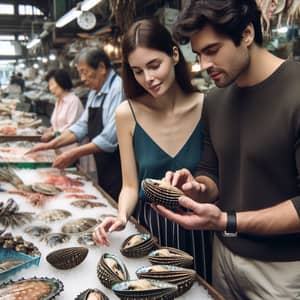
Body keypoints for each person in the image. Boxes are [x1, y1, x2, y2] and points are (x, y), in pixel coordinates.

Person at [152, 1, 300, 299]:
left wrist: (226, 220)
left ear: (246, 34)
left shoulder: (295, 90)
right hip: (223, 257)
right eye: (198, 54)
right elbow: (212, 173)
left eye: (212, 50)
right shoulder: (216, 100)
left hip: (283, 270)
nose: (204, 65)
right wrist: (195, 188)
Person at [92, 19, 212, 281]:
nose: (148, 79)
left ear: (175, 54)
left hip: (202, 228)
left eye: (154, 65)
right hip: (150, 231)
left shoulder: (208, 106)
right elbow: (131, 186)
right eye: (137, 71)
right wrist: (122, 216)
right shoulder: (127, 113)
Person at [27, 47, 123, 200]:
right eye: (80, 73)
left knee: (119, 202)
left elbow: (109, 138)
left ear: (102, 68)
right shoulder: (95, 91)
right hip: (104, 163)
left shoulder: (118, 89)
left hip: (122, 164)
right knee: (107, 196)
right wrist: (51, 145)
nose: (82, 79)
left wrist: (73, 153)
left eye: (84, 72)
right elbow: (81, 126)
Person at [41, 69, 83, 146]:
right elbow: (58, 126)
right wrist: (49, 130)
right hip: (59, 145)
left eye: (52, 84)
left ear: (62, 82)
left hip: (72, 148)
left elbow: (71, 127)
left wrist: (52, 134)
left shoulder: (73, 101)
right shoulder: (58, 101)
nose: (50, 88)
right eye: (49, 85)